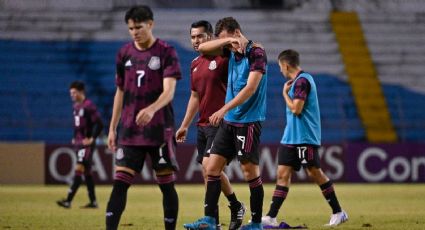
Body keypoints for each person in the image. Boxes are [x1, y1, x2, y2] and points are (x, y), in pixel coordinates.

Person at [184, 17, 267, 230]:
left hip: (248, 122)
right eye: (224, 42)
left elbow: (250, 89)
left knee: (250, 172)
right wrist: (225, 42)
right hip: (229, 122)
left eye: (230, 39)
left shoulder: (256, 53)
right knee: (211, 168)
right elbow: (202, 47)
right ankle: (210, 221)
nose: (229, 45)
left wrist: (223, 109)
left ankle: (256, 223)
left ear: (237, 32)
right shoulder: (229, 50)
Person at [105, 5, 181, 230]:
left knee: (166, 185)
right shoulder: (124, 54)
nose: (134, 31)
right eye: (130, 28)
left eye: (139, 27)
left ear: (150, 24)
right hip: (129, 130)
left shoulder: (166, 52)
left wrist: (151, 109)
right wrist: (112, 127)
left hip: (159, 129)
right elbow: (120, 91)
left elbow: (169, 91)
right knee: (120, 183)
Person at [261, 49, 348, 228]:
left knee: (314, 172)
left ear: (286, 65)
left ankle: (338, 212)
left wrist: (284, 94)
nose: (280, 71)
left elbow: (296, 109)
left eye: (280, 67)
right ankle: (270, 217)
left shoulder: (302, 81)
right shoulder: (299, 82)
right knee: (282, 175)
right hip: (290, 137)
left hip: (304, 137)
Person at [176, 20, 246, 230]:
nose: (196, 41)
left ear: (209, 37)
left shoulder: (224, 56)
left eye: (200, 36)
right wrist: (185, 125)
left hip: (222, 122)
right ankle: (222, 215)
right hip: (203, 124)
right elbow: (195, 96)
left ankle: (214, 216)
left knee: (210, 167)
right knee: (209, 173)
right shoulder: (195, 64)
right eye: (193, 37)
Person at [57, 81, 103, 209]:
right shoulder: (76, 107)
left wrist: (92, 138)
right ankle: (93, 202)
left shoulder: (89, 106)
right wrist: (74, 137)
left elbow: (99, 124)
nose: (72, 95)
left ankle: (68, 200)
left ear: (81, 92)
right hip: (78, 143)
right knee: (87, 173)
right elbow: (77, 126)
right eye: (71, 93)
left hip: (86, 145)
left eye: (74, 92)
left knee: (79, 169)